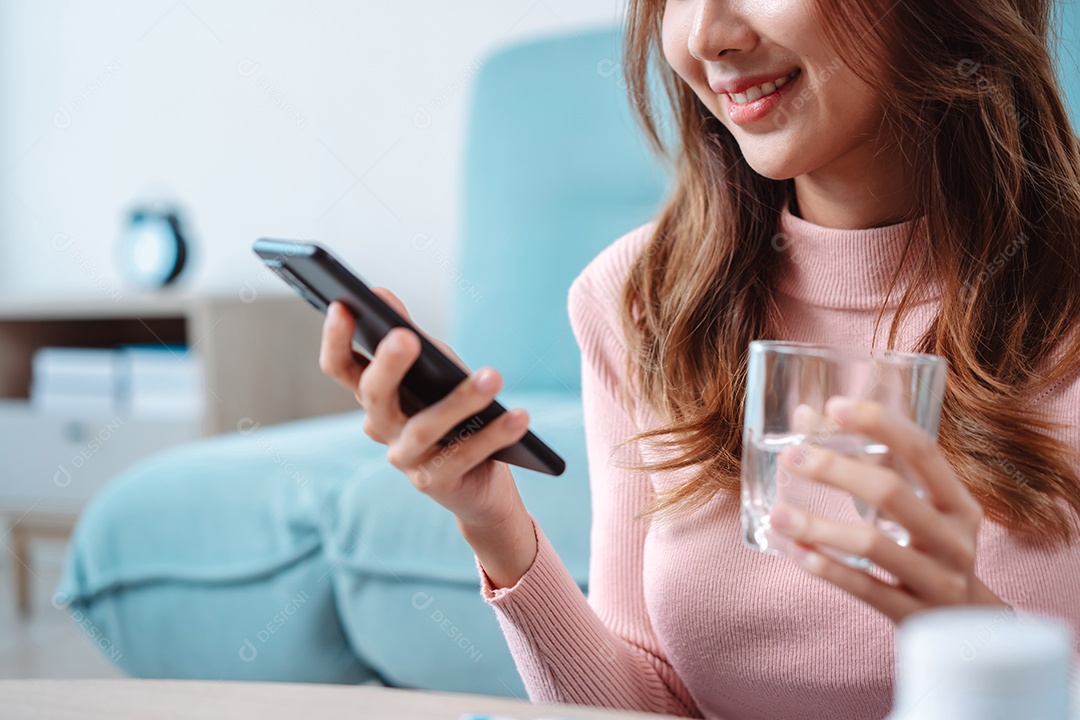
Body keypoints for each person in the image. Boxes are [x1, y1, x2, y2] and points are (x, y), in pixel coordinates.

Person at [318, 0, 1080, 717]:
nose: (707, 35)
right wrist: (493, 524)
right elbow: (653, 703)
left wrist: (984, 644)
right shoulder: (642, 298)